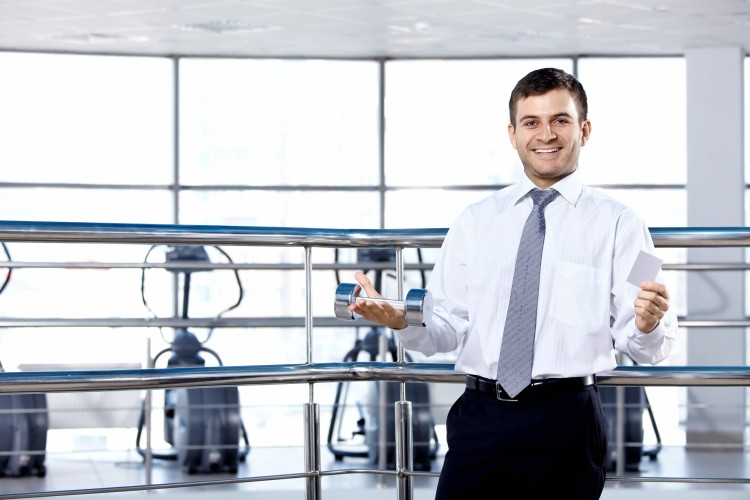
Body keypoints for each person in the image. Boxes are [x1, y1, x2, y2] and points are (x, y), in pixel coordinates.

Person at [348, 67, 678, 499]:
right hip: (479, 418)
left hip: (566, 423)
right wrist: (402, 319)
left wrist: (650, 324)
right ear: (512, 133)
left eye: (560, 120)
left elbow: (648, 344)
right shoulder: (475, 221)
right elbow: (445, 327)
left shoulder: (623, 224)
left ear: (585, 129)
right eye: (532, 122)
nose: (546, 134)